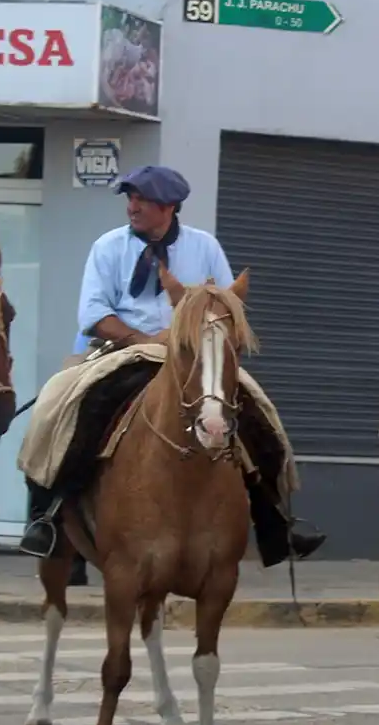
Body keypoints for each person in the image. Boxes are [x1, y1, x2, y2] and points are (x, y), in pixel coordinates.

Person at [18, 164, 327, 566]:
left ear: (169, 206)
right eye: (130, 199)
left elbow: (228, 304)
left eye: (141, 200)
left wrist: (192, 339)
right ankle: (49, 516)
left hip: (195, 355)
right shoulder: (108, 247)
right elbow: (94, 313)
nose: (132, 207)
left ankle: (274, 519)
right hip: (120, 350)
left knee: (257, 412)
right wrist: (145, 340)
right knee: (59, 406)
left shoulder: (204, 247)